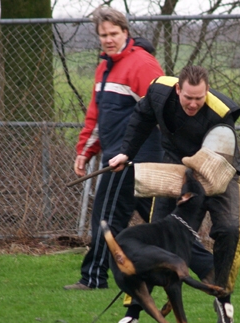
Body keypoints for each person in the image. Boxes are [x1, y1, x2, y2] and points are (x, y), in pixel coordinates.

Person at [109, 65, 240, 323]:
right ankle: (133, 311)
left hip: (219, 169)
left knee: (230, 230)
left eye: (199, 98)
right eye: (188, 98)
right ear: (177, 90)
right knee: (155, 232)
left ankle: (222, 298)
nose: (194, 103)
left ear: (206, 92)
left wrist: (195, 175)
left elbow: (220, 152)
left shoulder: (221, 112)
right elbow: (141, 118)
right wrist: (126, 153)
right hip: (178, 166)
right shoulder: (158, 92)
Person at [63, 6, 165, 290]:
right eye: (103, 34)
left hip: (133, 160)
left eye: (113, 33)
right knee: (165, 221)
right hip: (116, 157)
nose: (108, 39)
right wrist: (85, 150)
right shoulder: (105, 67)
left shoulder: (143, 64)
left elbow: (163, 111)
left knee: (106, 217)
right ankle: (206, 266)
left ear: (125, 32)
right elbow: (98, 116)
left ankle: (93, 278)